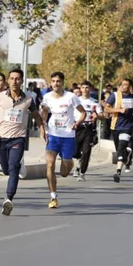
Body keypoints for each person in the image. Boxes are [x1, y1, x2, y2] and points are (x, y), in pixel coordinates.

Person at [0, 69, 47, 216]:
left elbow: (36, 115)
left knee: (13, 168)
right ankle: (13, 168)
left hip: (18, 139)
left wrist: (42, 129)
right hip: (2, 139)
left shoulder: (29, 99)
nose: (14, 81)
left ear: (22, 81)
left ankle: (8, 199)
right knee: (6, 169)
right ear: (8, 81)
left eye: (18, 79)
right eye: (12, 79)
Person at [40, 72, 86, 208]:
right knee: (49, 164)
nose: (55, 84)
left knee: (64, 173)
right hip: (53, 135)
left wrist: (77, 123)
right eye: (53, 81)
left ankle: (69, 163)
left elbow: (83, 112)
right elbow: (44, 111)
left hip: (68, 136)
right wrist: (43, 125)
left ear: (62, 83)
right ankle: (53, 196)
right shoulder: (47, 97)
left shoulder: (71, 97)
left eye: (58, 81)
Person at [104, 79, 133, 183]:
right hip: (115, 126)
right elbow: (106, 109)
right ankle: (127, 155)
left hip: (128, 126)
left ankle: (118, 172)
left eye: (127, 85)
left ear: (130, 87)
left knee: (121, 147)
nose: (124, 87)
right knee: (119, 150)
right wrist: (119, 110)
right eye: (123, 85)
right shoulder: (115, 96)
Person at [73, 80, 103, 181]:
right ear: (80, 89)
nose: (85, 90)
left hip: (89, 128)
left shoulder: (94, 102)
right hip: (77, 128)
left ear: (90, 89)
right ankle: (78, 163)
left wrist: (97, 116)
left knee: (86, 151)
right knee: (75, 151)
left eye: (87, 88)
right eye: (83, 88)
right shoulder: (76, 101)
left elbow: (102, 116)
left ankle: (82, 173)